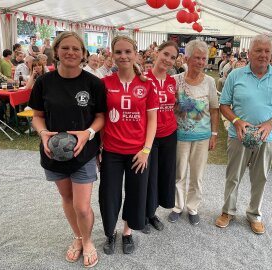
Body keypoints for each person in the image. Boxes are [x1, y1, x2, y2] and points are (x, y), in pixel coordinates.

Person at [28, 31, 106, 268]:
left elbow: (101, 117)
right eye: (65, 48)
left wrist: (88, 133)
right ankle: (78, 238)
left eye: (76, 49)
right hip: (54, 153)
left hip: (83, 153)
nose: (70, 52)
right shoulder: (44, 82)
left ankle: (89, 240)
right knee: (67, 199)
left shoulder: (93, 83)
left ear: (83, 54)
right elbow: (37, 116)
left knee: (82, 206)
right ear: (56, 51)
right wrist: (43, 134)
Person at [215, 34, 272, 234]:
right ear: (249, 53)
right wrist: (237, 121)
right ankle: (228, 211)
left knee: (260, 178)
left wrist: (271, 123)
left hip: (268, 137)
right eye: (258, 50)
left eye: (267, 51)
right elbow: (224, 105)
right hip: (238, 135)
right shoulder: (235, 75)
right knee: (233, 176)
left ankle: (254, 214)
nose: (263, 55)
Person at [99, 35, 158, 255]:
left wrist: (146, 150)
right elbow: (101, 117)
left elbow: (152, 120)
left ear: (135, 54)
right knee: (109, 195)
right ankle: (110, 233)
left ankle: (127, 232)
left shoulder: (146, 84)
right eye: (118, 52)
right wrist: (100, 148)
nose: (123, 56)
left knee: (135, 194)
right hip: (112, 151)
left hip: (138, 152)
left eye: (127, 52)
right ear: (112, 55)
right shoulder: (104, 83)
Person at [167, 40, 219, 225]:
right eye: (197, 57)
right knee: (179, 173)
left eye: (204, 58)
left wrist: (214, 134)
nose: (201, 62)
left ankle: (193, 207)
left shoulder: (210, 82)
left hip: (202, 136)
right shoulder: (174, 80)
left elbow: (214, 109)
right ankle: (177, 206)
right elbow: (168, 105)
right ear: (187, 58)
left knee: (197, 175)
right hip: (179, 135)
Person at [142, 41, 178, 234]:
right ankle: (145, 214)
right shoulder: (143, 79)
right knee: (149, 176)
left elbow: (175, 105)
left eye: (173, 57)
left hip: (169, 135)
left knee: (164, 175)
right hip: (149, 137)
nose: (168, 60)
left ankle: (153, 213)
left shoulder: (172, 82)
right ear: (156, 53)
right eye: (166, 54)